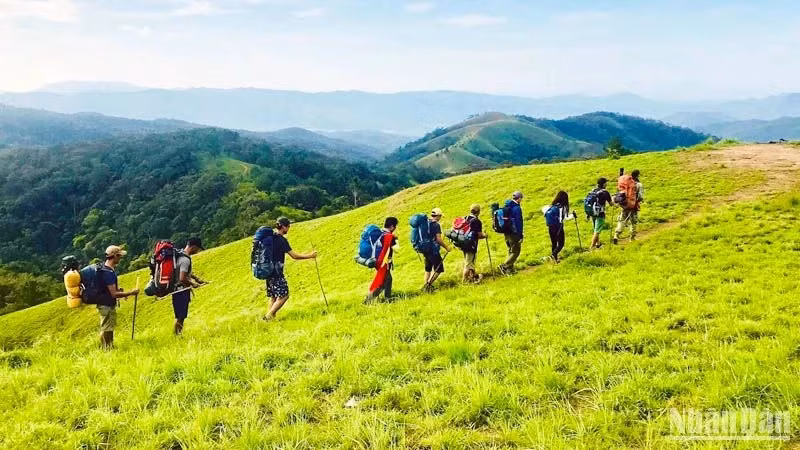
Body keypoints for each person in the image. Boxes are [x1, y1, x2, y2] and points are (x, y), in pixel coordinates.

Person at [264, 216, 318, 321]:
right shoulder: (281, 240)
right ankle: (268, 317)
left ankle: (271, 319)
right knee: (284, 295)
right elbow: (294, 256)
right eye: (288, 226)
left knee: (274, 296)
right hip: (277, 272)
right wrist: (310, 256)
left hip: (268, 271)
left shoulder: (270, 238)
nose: (289, 228)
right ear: (283, 227)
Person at [97, 245, 139, 349]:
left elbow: (110, 289)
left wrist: (119, 290)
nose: (120, 258)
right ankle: (107, 349)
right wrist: (131, 292)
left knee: (108, 327)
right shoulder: (108, 273)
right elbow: (114, 294)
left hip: (104, 303)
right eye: (119, 256)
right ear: (114, 256)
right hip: (106, 304)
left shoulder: (106, 269)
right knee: (106, 328)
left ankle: (109, 347)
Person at [172, 237, 206, 336]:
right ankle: (177, 336)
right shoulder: (185, 259)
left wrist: (197, 279)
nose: (198, 251)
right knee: (181, 317)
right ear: (194, 247)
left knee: (180, 316)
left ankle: (177, 335)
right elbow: (182, 278)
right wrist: (193, 284)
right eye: (198, 249)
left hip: (177, 290)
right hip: (181, 291)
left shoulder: (180, 255)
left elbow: (185, 272)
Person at [364, 217, 398, 303]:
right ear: (392, 226)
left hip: (377, 260)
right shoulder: (390, 236)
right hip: (384, 262)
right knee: (382, 282)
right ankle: (368, 300)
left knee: (388, 279)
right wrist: (396, 239)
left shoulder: (380, 233)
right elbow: (397, 250)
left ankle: (387, 298)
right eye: (395, 226)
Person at [422, 208, 452, 292]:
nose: (440, 218)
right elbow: (438, 239)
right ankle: (427, 286)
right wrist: (446, 247)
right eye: (440, 216)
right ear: (438, 216)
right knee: (439, 269)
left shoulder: (426, 222)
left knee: (428, 269)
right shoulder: (436, 225)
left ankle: (426, 286)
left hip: (425, 249)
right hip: (433, 250)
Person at [613, 169, 644, 244]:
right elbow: (640, 197)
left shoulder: (626, 182)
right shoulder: (638, 184)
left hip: (624, 205)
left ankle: (616, 235)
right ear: (637, 175)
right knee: (633, 222)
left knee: (622, 220)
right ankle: (632, 238)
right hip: (633, 206)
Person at [543, 191, 573, 263]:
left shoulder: (552, 206)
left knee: (554, 243)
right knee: (561, 244)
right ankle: (553, 256)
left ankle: (555, 259)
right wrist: (573, 215)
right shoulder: (563, 207)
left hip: (550, 227)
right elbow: (566, 217)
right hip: (558, 227)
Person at [498, 191, 524, 274]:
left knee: (510, 250)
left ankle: (510, 270)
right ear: (519, 198)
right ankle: (505, 266)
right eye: (521, 198)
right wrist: (520, 234)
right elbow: (518, 222)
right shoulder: (516, 208)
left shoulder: (507, 206)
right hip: (514, 232)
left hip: (507, 232)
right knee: (516, 251)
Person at [461, 204, 487, 283]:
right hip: (471, 244)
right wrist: (485, 235)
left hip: (463, 243)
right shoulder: (477, 221)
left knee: (470, 262)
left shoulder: (465, 218)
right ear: (478, 211)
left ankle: (472, 278)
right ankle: (464, 281)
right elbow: (479, 235)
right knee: (468, 264)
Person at [589, 178, 614, 249]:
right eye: (606, 183)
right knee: (597, 231)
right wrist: (614, 200)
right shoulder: (605, 192)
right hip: (600, 213)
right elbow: (611, 204)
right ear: (603, 184)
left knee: (595, 229)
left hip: (592, 212)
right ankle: (592, 247)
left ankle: (598, 243)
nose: (607, 184)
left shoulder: (593, 190)